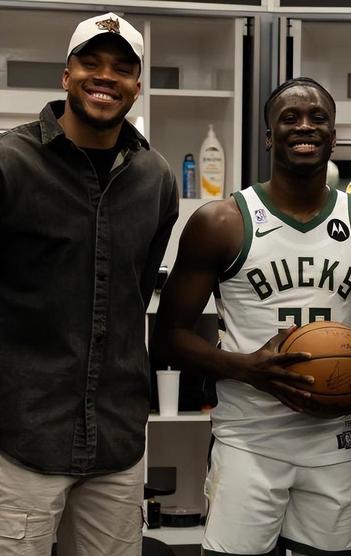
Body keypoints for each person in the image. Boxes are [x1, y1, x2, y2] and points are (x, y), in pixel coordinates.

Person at [151, 77, 351, 556]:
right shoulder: (221, 222)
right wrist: (247, 369)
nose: (304, 126)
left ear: (332, 136)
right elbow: (167, 337)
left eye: (317, 118)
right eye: (290, 118)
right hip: (249, 439)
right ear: (268, 136)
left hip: (335, 438)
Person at [0, 12, 178, 556]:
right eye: (91, 63)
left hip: (116, 441)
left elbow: (135, 295)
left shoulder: (156, 179)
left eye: (122, 69)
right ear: (66, 75)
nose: (105, 77)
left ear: (137, 87)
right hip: (20, 438)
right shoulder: (11, 163)